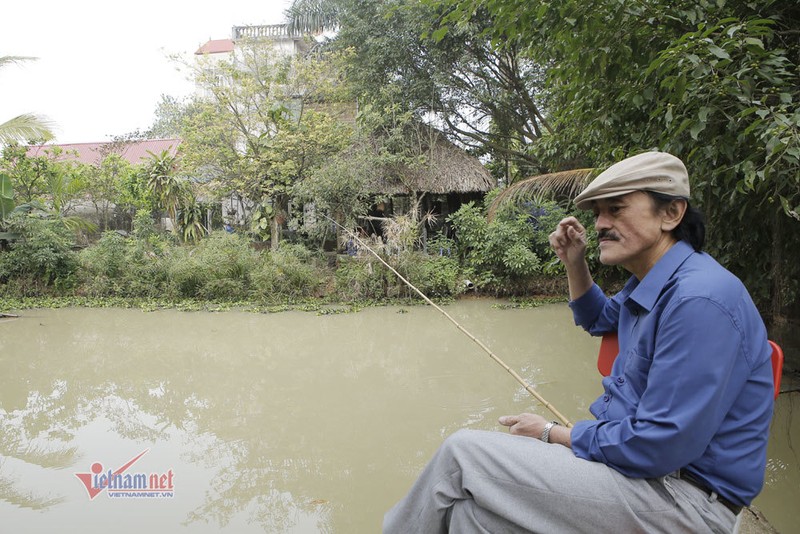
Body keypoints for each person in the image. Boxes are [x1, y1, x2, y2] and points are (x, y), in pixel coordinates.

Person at [383, 151, 774, 533]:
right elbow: (598, 318)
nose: (601, 223)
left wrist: (552, 433)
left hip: (681, 501)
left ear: (671, 214)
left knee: (461, 455)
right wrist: (574, 260)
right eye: (597, 213)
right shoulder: (653, 282)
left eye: (616, 209)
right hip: (644, 479)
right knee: (472, 516)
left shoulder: (699, 299)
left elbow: (660, 444)